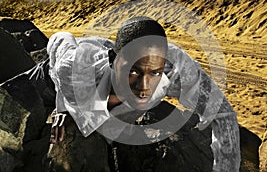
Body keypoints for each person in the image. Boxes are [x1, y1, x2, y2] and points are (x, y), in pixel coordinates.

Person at [46, 16, 240, 171]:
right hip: (66, 65)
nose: (143, 86)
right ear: (113, 60)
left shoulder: (176, 70)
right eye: (133, 71)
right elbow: (59, 38)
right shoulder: (73, 67)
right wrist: (61, 106)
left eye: (155, 73)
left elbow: (223, 113)